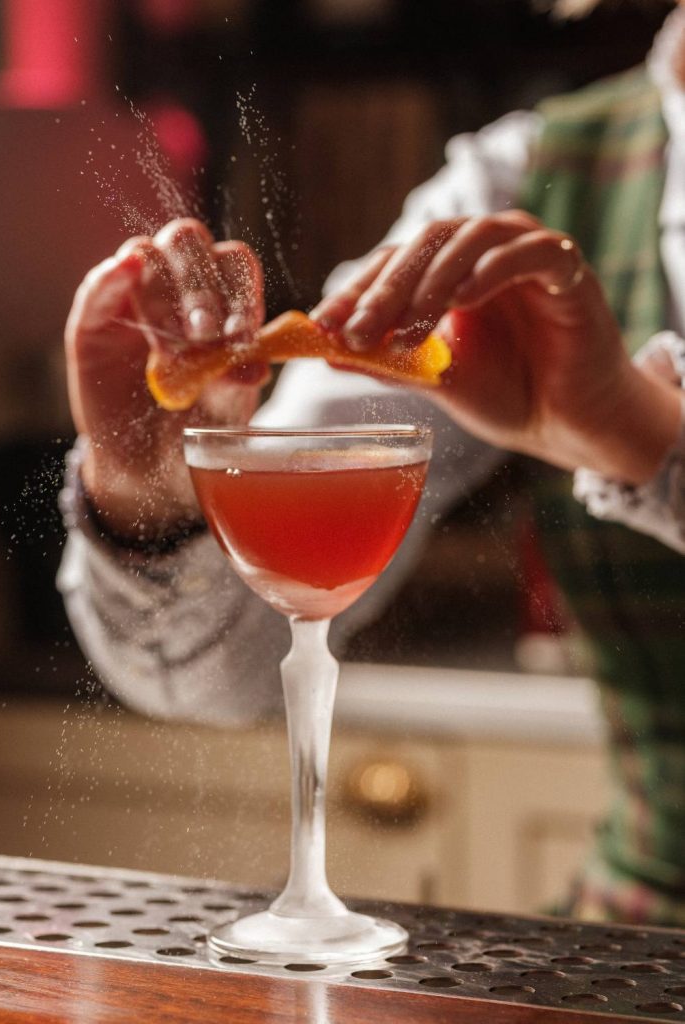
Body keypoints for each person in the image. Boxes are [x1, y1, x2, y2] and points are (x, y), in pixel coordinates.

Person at [59, 1, 685, 925]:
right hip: (644, 942)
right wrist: (161, 495)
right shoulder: (523, 183)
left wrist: (643, 437)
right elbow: (219, 673)